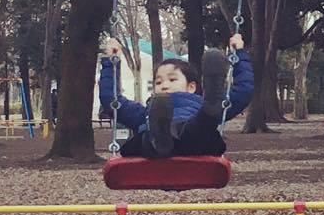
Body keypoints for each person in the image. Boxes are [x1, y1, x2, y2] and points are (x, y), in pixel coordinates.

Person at [99, 34, 253, 158]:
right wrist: (111, 62)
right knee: (150, 133)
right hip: (155, 149)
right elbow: (112, 101)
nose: (164, 85)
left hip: (194, 140)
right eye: (158, 82)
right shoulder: (144, 111)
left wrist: (239, 53)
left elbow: (243, 92)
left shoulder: (198, 104)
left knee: (200, 126)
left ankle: (210, 107)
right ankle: (160, 135)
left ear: (191, 87)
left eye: (172, 79)